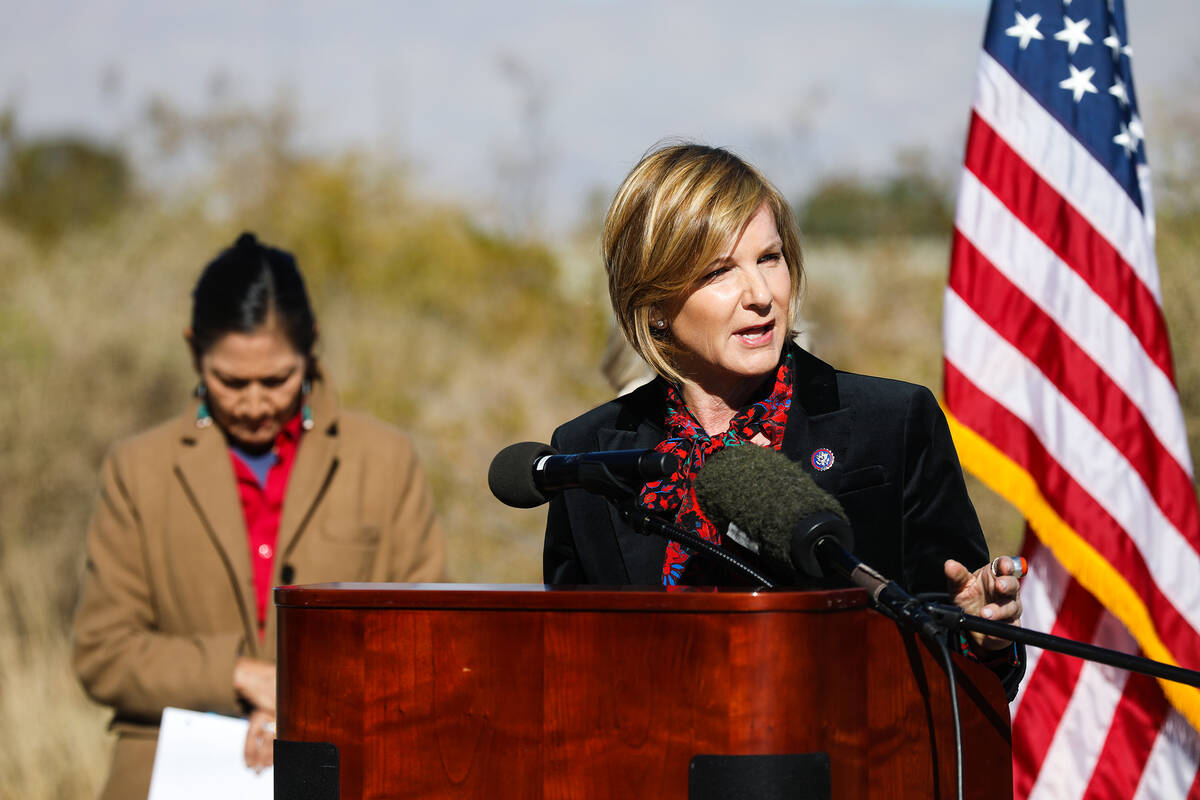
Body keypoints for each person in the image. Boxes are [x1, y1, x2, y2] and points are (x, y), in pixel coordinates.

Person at [542, 143, 1023, 691]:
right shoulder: (590, 453)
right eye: (720, 271)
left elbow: (966, 667)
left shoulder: (891, 424)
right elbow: (567, 683)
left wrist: (982, 637)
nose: (761, 294)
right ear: (653, 305)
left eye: (769, 258)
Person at [73, 232, 447, 799]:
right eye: (229, 382)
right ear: (193, 350)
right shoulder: (138, 468)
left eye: (276, 380)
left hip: (345, 766)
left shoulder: (385, 460)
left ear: (311, 349)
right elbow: (103, 652)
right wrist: (239, 676)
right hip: (169, 773)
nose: (253, 403)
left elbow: (428, 642)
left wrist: (304, 701)